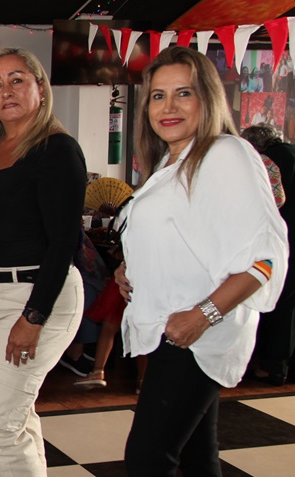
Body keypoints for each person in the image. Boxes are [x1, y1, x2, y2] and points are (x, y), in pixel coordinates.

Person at [115, 46, 288, 475]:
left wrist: (202, 315)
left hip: (195, 335)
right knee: (195, 457)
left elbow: (264, 258)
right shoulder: (173, 162)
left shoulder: (224, 153)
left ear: (207, 99)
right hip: (174, 331)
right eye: (157, 96)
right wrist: (129, 268)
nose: (168, 107)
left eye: (183, 93)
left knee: (147, 459)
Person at [0, 48, 87, 476]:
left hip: (32, 297)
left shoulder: (56, 150)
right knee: (12, 419)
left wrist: (34, 316)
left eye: (17, 79)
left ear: (40, 89)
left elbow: (64, 242)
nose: (6, 90)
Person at [242, 123, 295, 386]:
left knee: (276, 303)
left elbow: (272, 202)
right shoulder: (291, 152)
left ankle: (272, 367)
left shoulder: (265, 162)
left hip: (281, 240)